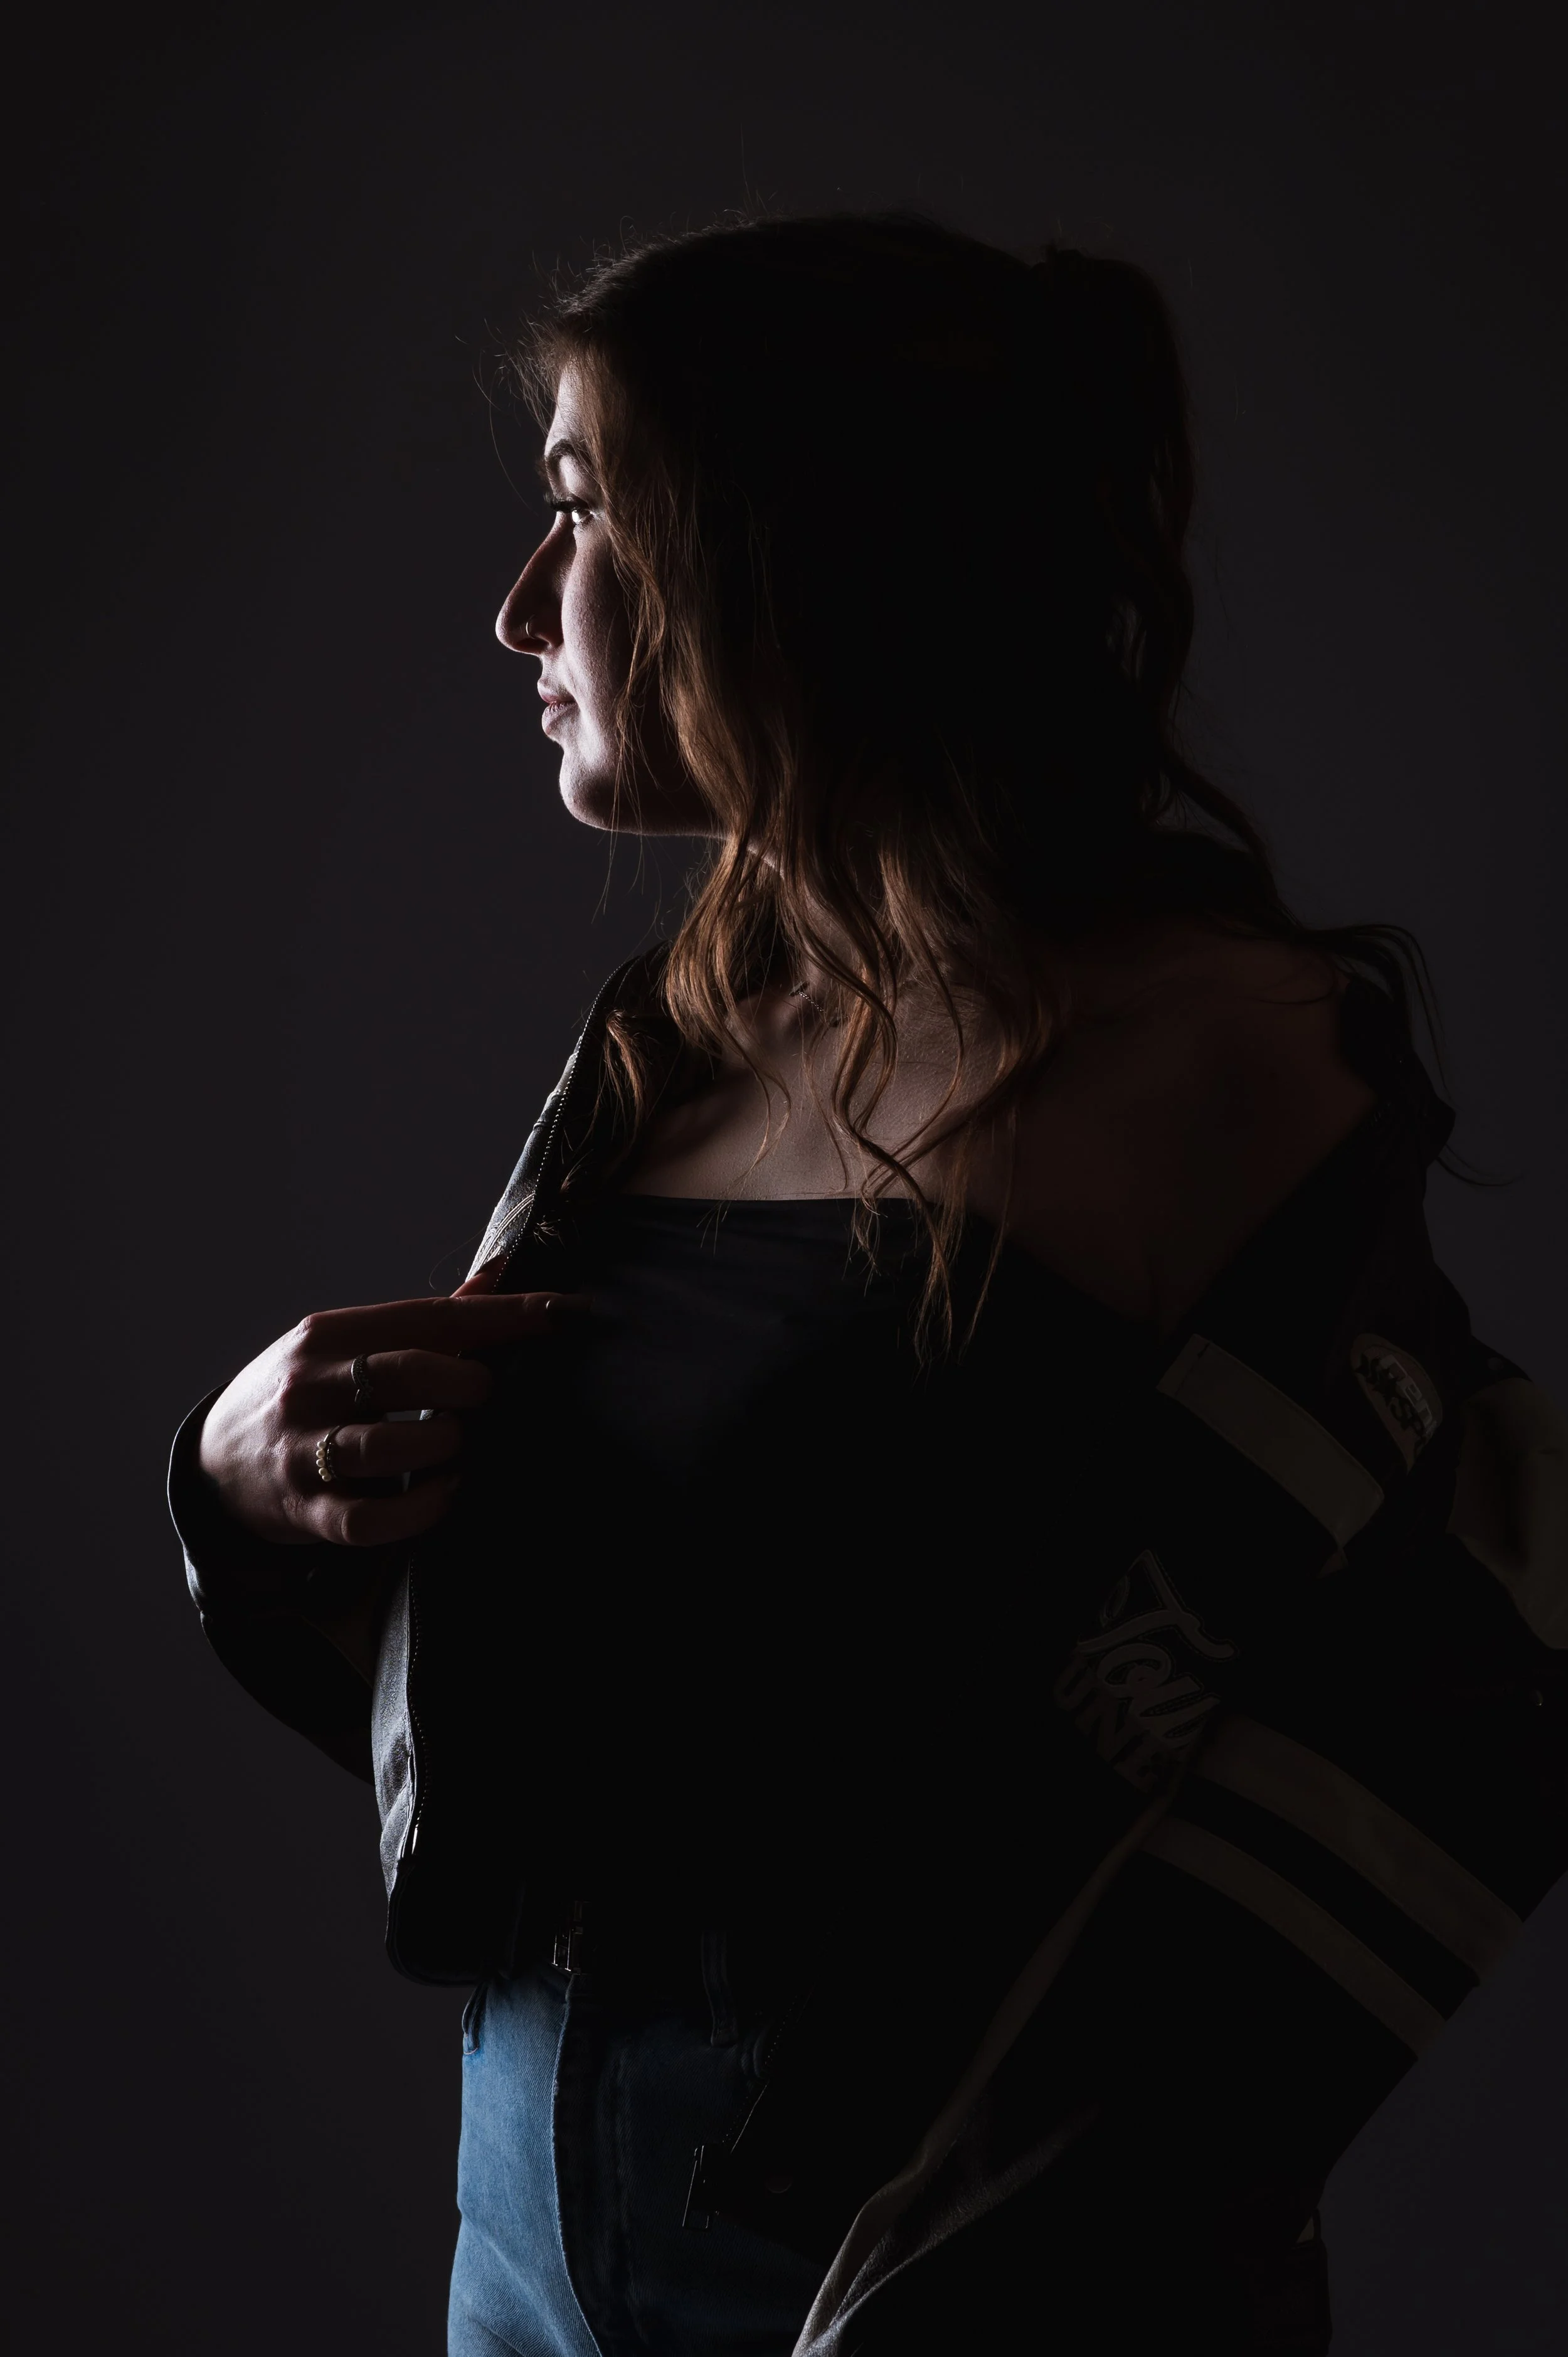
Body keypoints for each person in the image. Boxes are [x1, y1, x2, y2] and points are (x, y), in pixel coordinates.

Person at [170, 214, 1568, 2357]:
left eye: (578, 513)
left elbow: (1429, 1663)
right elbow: (579, 1694)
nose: (517, 608)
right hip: (529, 2263)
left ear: (789, 552)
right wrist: (248, 1485)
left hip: (950, 2284)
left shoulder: (1225, 1055)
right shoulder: (680, 1039)